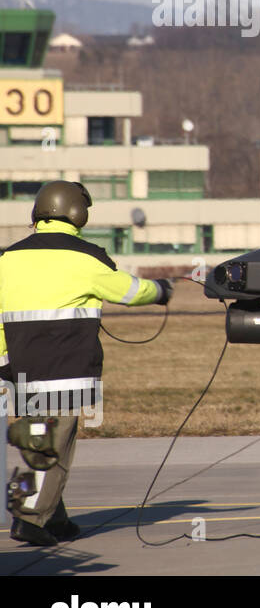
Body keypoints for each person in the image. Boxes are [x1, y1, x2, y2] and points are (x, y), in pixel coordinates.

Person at [1, 181, 172, 546]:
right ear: (78, 212)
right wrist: (161, 290)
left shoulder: (8, 258)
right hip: (64, 368)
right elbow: (129, 291)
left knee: (41, 441)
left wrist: (4, 363)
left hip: (21, 372)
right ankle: (30, 519)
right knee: (55, 446)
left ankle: (56, 518)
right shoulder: (85, 257)